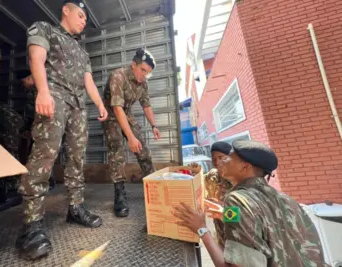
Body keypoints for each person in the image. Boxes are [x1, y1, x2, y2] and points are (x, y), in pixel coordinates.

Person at [15, 0, 108, 260]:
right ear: (65, 10)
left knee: (77, 158)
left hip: (78, 105)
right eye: (80, 15)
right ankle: (31, 225)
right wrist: (43, 91)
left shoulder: (81, 50)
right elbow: (37, 57)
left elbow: (87, 79)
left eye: (85, 18)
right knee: (45, 155)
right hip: (54, 96)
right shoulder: (44, 29)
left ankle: (75, 208)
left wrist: (100, 103)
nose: (83, 21)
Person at [173, 140, 328, 267]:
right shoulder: (287, 199)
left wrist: (201, 229)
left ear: (244, 167)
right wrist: (225, 213)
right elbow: (262, 222)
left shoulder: (236, 199)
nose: (222, 161)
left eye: (229, 157)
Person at [102, 48, 161, 217]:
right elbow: (117, 108)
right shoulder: (118, 76)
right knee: (117, 151)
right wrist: (130, 137)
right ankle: (119, 196)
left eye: (148, 73)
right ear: (133, 65)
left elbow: (146, 105)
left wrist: (154, 126)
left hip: (125, 113)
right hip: (111, 115)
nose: (144, 75)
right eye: (143, 70)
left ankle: (154, 188)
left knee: (143, 150)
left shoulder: (143, 83)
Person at [204, 141, 233, 249]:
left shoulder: (237, 180)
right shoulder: (213, 175)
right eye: (213, 158)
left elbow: (247, 219)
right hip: (221, 237)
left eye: (221, 157)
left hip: (238, 241)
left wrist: (224, 213)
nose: (216, 162)